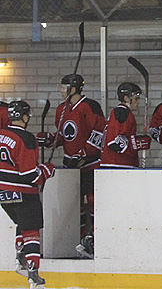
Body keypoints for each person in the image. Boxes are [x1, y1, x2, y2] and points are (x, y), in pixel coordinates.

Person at [36, 73, 104, 258]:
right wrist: (50, 139)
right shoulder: (61, 109)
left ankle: (95, 241)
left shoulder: (90, 106)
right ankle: (79, 241)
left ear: (73, 89)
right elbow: (64, 135)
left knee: (93, 202)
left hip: (90, 165)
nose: (61, 90)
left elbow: (98, 133)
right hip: (70, 168)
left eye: (63, 87)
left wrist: (84, 153)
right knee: (75, 206)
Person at [0, 100, 54, 288]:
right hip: (23, 191)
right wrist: (47, 170)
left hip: (3, 193)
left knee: (21, 222)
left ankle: (19, 257)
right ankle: (33, 272)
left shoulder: (1, 134)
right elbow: (30, 175)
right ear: (24, 117)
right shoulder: (27, 139)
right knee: (31, 229)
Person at [100, 82, 150, 169]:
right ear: (126, 98)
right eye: (136, 99)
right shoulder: (122, 112)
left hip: (117, 164)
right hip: (117, 165)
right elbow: (114, 143)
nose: (138, 102)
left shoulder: (123, 112)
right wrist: (137, 143)